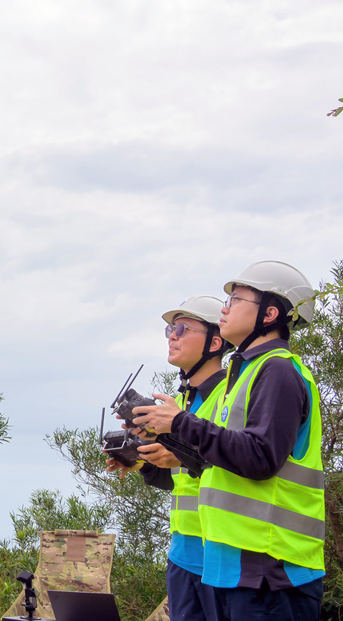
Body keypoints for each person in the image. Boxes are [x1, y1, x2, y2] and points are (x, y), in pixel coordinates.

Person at [132, 261, 323, 621]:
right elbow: (212, 464)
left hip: (270, 569)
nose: (225, 307)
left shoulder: (278, 370)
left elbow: (261, 458)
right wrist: (150, 457)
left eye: (235, 299)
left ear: (269, 313)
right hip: (235, 567)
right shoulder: (247, 372)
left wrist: (179, 423)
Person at [106, 295, 232, 621]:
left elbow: (238, 463)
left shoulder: (232, 398)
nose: (172, 336)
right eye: (169, 330)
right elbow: (177, 477)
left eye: (181, 328)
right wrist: (140, 460)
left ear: (215, 341)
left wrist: (179, 455)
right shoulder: (179, 402)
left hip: (222, 556)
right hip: (182, 555)